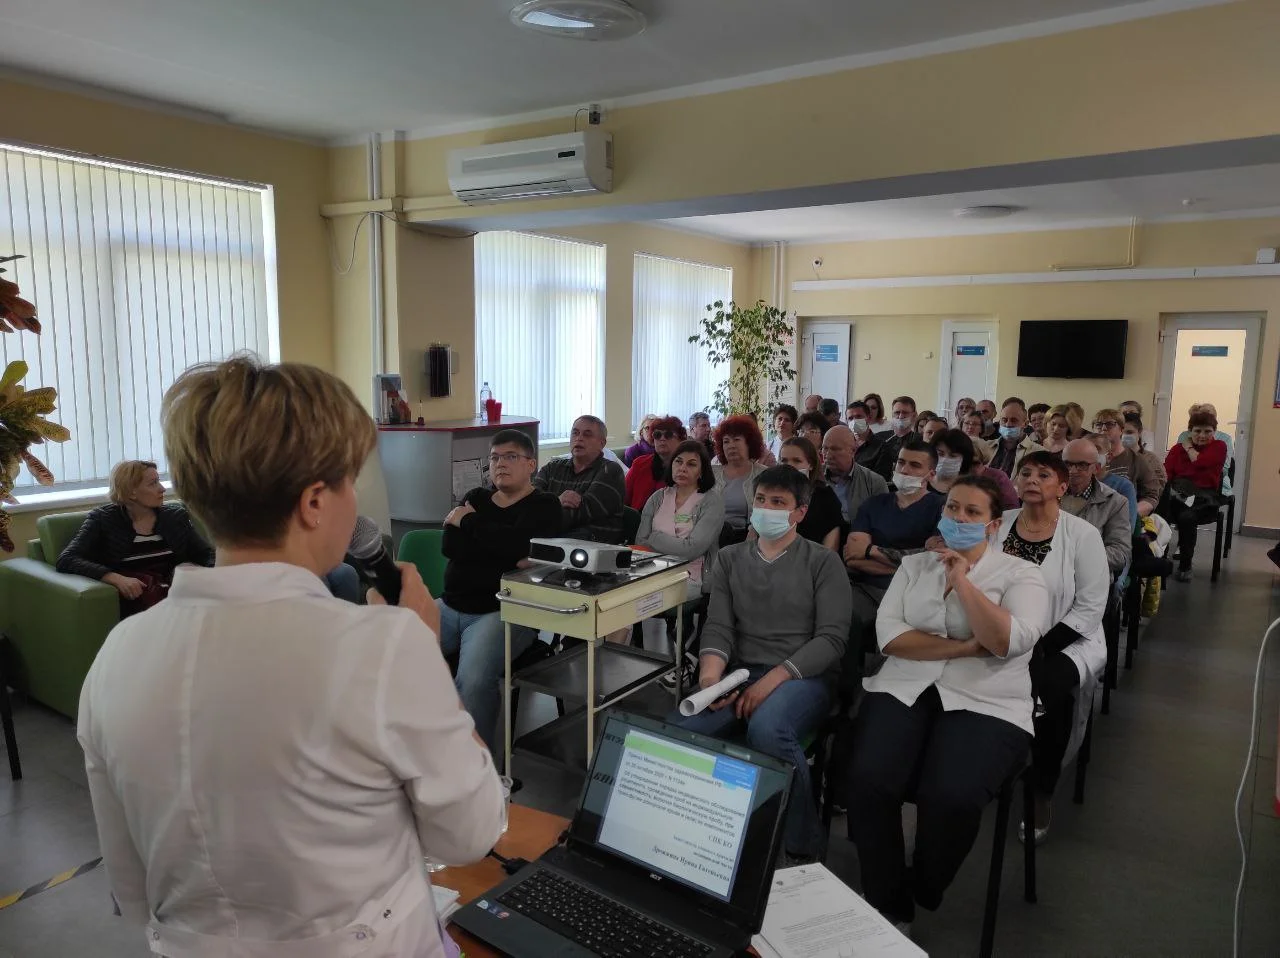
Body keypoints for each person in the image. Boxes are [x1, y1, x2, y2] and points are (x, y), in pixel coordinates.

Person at [78, 356, 506, 958]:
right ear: (314, 502)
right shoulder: (381, 645)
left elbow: (130, 887)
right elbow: (470, 833)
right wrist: (425, 655)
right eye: (350, 482)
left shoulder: (117, 654)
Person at [845, 475, 1049, 927]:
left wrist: (962, 580)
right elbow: (890, 638)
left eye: (972, 512)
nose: (958, 517)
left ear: (993, 525)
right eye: (952, 508)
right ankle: (887, 898)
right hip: (906, 683)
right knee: (867, 781)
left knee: (952, 797)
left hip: (987, 698)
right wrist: (963, 647)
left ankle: (924, 885)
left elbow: (1005, 641)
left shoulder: (1022, 574)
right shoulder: (915, 567)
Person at [672, 466, 852, 863]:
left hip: (802, 675)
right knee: (683, 728)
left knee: (768, 730)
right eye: (760, 500)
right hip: (739, 671)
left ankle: (801, 847)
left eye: (778, 502)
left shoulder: (823, 562)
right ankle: (703, 833)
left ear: (800, 512)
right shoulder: (731, 558)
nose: (766, 509)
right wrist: (711, 681)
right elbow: (719, 626)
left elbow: (831, 639)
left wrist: (772, 680)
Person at [998, 452, 1109, 844]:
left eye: (1043, 475)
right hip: (1004, 631)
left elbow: (1091, 606)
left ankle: (1041, 790)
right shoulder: (999, 524)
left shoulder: (1082, 535)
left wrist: (1040, 647)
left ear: (1062, 488)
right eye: (1025, 472)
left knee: (1049, 689)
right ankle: (987, 761)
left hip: (1066, 637)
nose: (1031, 479)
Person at [438, 430, 561, 751]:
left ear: (531, 464)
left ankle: (477, 769)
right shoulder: (476, 497)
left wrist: (470, 524)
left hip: (503, 611)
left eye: (510, 457)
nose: (500, 464)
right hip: (449, 606)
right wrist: (505, 548)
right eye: (494, 458)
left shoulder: (545, 505)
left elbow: (520, 546)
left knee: (473, 681)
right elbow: (450, 546)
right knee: (397, 655)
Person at [56, 459, 214, 615]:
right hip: (138, 598)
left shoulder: (174, 516)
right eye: (153, 483)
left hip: (177, 591)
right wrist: (114, 578)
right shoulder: (103, 519)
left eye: (159, 481)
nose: (162, 489)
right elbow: (67, 559)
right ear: (131, 492)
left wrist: (208, 574)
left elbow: (206, 554)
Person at [636, 439, 725, 680]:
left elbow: (692, 550)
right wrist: (666, 545)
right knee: (619, 601)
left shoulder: (711, 501)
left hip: (693, 575)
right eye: (678, 462)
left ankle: (682, 662)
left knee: (640, 602)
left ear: (702, 471)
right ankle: (624, 666)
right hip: (652, 570)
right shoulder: (658, 497)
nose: (683, 468)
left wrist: (656, 538)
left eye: (691, 464)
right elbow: (640, 541)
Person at [844, 439, 945, 648]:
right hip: (866, 588)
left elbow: (932, 562)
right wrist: (914, 559)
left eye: (915, 465)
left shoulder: (941, 507)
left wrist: (870, 550)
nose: (905, 470)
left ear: (931, 474)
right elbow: (853, 558)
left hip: (915, 592)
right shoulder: (874, 504)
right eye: (901, 462)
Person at [534, 415, 626, 543]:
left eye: (587, 435)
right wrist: (557, 501)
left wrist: (539, 515)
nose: (579, 438)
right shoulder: (551, 468)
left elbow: (583, 512)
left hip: (591, 545)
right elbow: (530, 502)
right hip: (550, 538)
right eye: (575, 433)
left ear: (602, 443)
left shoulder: (610, 470)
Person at [1161, 409, 1229, 581]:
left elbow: (1200, 462)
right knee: (1159, 513)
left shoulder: (1219, 446)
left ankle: (1185, 565)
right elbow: (1166, 474)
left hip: (1203, 498)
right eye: (1197, 431)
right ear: (1190, 431)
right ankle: (1159, 560)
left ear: (1214, 432)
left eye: (1208, 431)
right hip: (1178, 494)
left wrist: (1189, 447)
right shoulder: (1177, 449)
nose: (1202, 435)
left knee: (1187, 518)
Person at [1060, 437, 1132, 575]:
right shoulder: (1048, 495)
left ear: (1096, 468)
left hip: (1089, 576)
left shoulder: (1115, 502)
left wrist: (1074, 557)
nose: (1072, 470)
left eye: (1082, 465)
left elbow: (1120, 554)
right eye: (1067, 464)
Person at [711, 414, 769, 546]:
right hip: (712, 535)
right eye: (726, 441)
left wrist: (754, 531)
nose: (731, 446)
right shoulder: (712, 473)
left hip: (748, 537)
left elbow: (767, 511)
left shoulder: (764, 474)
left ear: (749, 443)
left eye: (736, 439)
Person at [1092, 408, 1162, 516]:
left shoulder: (1137, 460)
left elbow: (1151, 497)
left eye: (1110, 424)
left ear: (1121, 429)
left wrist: (1129, 513)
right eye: (1099, 424)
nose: (1103, 428)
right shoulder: (1086, 459)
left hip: (1125, 516)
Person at [778, 436, 844, 551]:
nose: (789, 466)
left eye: (797, 461)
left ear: (811, 464)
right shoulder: (771, 494)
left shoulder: (825, 497)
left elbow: (830, 548)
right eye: (784, 461)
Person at [820, 425, 890, 531]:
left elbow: (882, 525)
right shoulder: (812, 478)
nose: (828, 455)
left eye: (835, 449)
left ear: (853, 450)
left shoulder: (874, 483)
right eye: (825, 448)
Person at [929, 428, 1019, 510]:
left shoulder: (972, 487)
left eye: (953, 456)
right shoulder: (924, 481)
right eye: (940, 453)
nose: (945, 459)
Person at [624, 415, 686, 510]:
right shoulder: (639, 464)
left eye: (668, 435)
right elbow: (623, 498)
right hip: (638, 517)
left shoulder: (688, 468)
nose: (662, 438)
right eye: (657, 435)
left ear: (681, 440)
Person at [1176, 402, 1235, 496]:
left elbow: (1224, 469)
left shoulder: (1224, 439)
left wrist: (1190, 449)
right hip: (1185, 483)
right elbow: (1178, 463)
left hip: (1216, 486)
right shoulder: (1184, 436)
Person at [988, 399, 1045, 477]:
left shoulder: (1039, 452)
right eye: (1004, 420)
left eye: (1013, 420)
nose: (1008, 424)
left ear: (1025, 424)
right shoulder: (986, 446)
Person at [870, 395, 919, 481]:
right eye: (897, 412)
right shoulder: (878, 437)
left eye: (905, 413)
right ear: (892, 414)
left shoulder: (919, 440)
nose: (900, 416)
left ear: (914, 415)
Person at [1122, 413, 1169, 494]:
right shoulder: (1112, 457)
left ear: (1139, 432)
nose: (1124, 436)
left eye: (1129, 432)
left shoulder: (1151, 459)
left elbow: (1159, 487)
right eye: (1121, 432)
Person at [844, 400, 887, 470]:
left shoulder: (881, 447)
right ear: (846, 421)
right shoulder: (842, 444)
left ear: (868, 418)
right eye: (850, 418)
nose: (854, 421)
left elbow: (880, 476)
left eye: (858, 416)